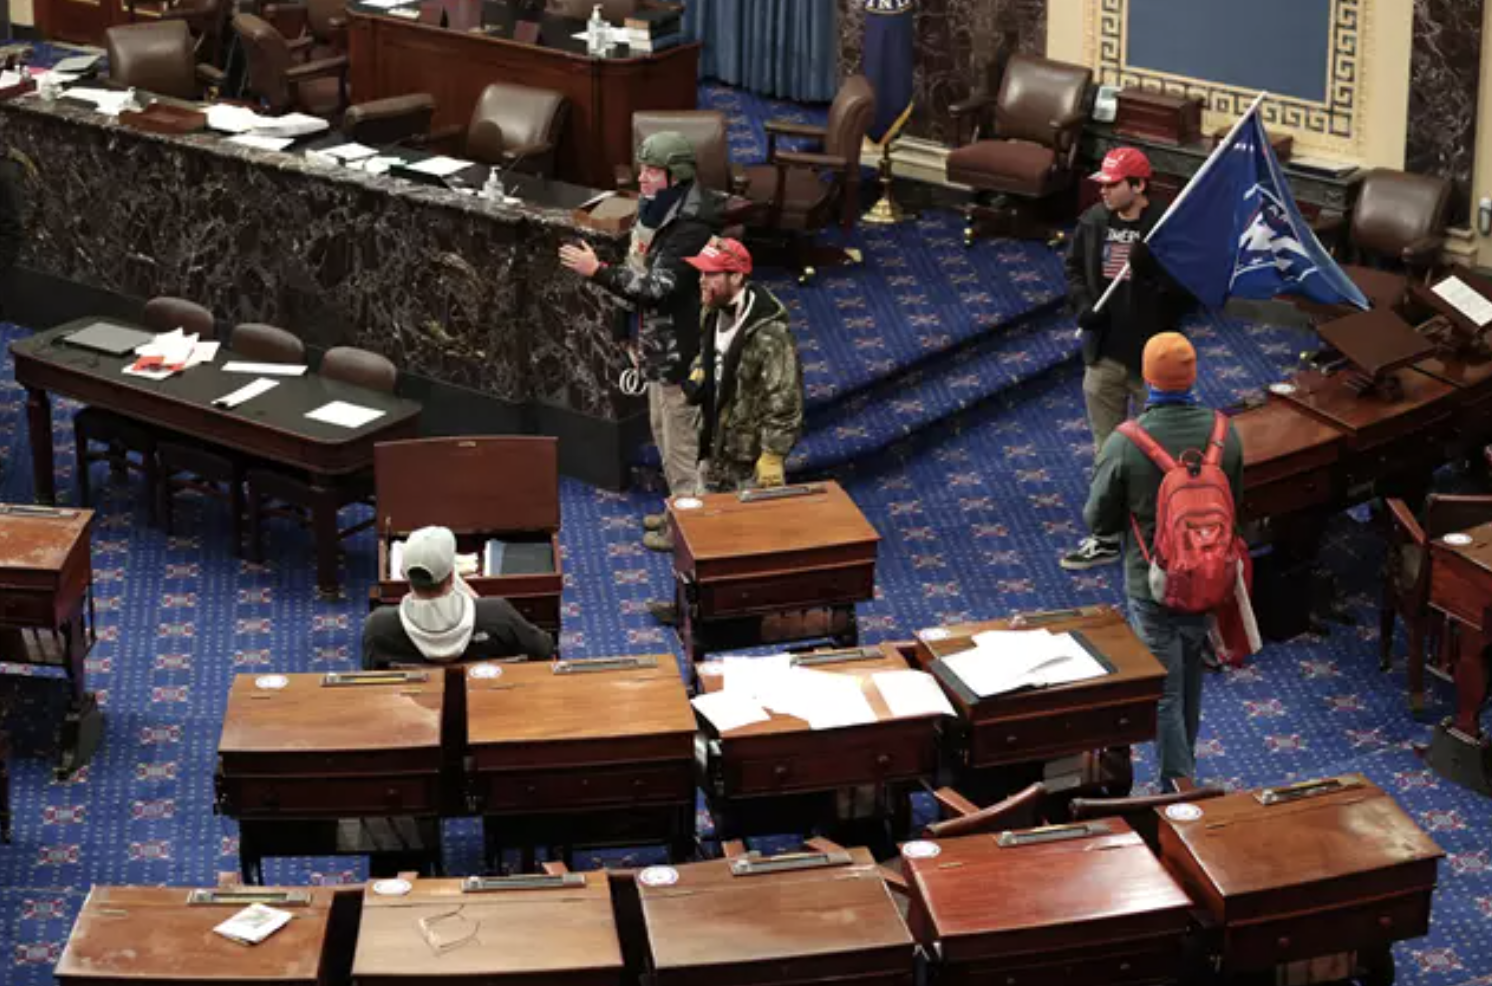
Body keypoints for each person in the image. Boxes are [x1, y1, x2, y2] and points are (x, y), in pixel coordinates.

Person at [1082, 333, 1243, 788]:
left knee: (1165, 689)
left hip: (1152, 582)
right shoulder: (1224, 432)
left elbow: (1098, 520)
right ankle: (1184, 772)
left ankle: (1178, 786)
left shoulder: (1125, 442)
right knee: (1190, 677)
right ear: (1193, 376)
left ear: (1147, 377)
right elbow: (1236, 506)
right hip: (1210, 575)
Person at [558, 131, 722, 552]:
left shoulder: (693, 225)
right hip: (652, 346)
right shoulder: (655, 210)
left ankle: (691, 530)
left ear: (676, 175)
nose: (642, 178)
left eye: (652, 171)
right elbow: (636, 266)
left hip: (680, 353)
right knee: (662, 434)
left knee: (681, 446)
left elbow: (658, 288)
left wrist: (597, 271)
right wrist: (625, 333)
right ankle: (677, 512)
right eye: (642, 169)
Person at [1061, 147, 1190, 571]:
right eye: (1102, 184)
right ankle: (1105, 537)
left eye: (1113, 185)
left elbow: (1188, 293)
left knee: (1161, 453)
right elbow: (1074, 270)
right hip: (1104, 357)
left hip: (1153, 363)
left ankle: (1161, 538)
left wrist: (1151, 271)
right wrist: (1083, 305)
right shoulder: (1094, 221)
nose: (1104, 192)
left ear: (1138, 186)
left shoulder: (1166, 228)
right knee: (1108, 451)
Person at [683, 237, 803, 493]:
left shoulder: (771, 333)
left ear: (736, 276)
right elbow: (707, 353)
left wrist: (773, 455)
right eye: (701, 272)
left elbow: (785, 399)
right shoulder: (711, 310)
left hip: (748, 460)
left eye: (711, 274)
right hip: (712, 443)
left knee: (748, 518)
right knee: (707, 510)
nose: (701, 280)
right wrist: (699, 371)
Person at [362, 526, 555, 668]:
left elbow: (371, 678)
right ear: (452, 576)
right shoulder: (497, 614)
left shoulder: (378, 627)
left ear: (403, 574)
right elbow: (545, 649)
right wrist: (479, 604)